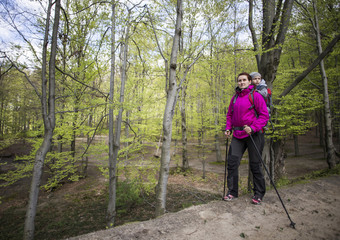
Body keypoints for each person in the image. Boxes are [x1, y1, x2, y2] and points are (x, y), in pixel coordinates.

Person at [224, 72, 269, 205]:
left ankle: (259, 194)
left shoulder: (256, 96)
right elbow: (229, 115)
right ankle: (232, 192)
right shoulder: (235, 98)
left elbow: (264, 116)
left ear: (250, 81)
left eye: (244, 80)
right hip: (238, 135)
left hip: (253, 135)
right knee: (232, 163)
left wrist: (253, 127)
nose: (241, 82)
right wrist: (228, 128)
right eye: (239, 80)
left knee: (255, 165)